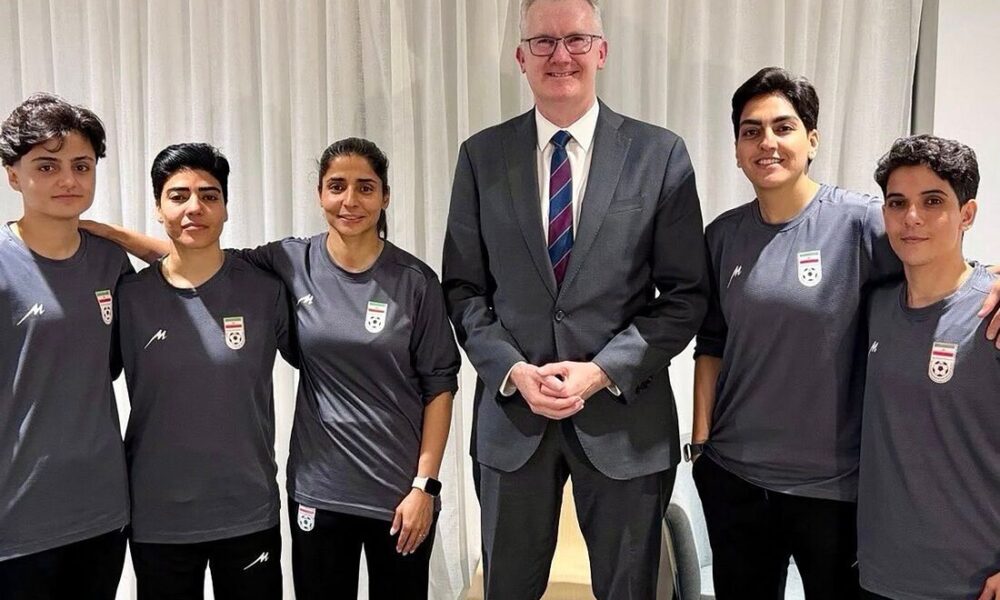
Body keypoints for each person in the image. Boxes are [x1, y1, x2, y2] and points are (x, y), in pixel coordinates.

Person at [83, 137, 460, 599]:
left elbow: (440, 385)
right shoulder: (286, 262)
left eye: (365, 187)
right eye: (336, 186)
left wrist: (426, 484)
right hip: (309, 491)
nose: (350, 200)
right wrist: (110, 235)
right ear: (319, 194)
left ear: (385, 196)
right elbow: (196, 254)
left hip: (391, 490)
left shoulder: (412, 281)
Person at [691, 68, 1000, 600]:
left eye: (783, 127)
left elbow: (937, 263)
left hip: (834, 491)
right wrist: (701, 446)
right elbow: (712, 343)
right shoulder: (722, 236)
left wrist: (992, 276)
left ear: (812, 140)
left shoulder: (863, 222)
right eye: (751, 131)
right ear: (737, 149)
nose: (767, 142)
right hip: (735, 479)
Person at [441, 0, 708, 596]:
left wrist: (603, 371)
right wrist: (512, 370)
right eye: (543, 41)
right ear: (521, 58)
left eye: (577, 40)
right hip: (514, 421)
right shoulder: (481, 157)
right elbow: (462, 289)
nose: (560, 55)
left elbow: (685, 296)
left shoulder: (659, 154)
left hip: (626, 423)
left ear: (601, 51)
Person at [117, 143, 294, 599]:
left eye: (209, 195)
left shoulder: (266, 291)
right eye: (178, 196)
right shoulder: (129, 297)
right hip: (158, 515)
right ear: (158, 208)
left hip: (247, 510)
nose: (194, 207)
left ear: (226, 208)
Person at [0, 93, 131, 598]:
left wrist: (123, 237)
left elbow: (199, 269)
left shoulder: (110, 262)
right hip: (16, 518)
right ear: (13, 175)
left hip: (101, 511)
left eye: (82, 166)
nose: (68, 180)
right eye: (46, 166)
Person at [858, 135, 1000, 600]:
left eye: (933, 201)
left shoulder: (992, 314)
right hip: (879, 575)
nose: (912, 217)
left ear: (967, 214)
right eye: (897, 203)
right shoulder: (875, 306)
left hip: (973, 582)